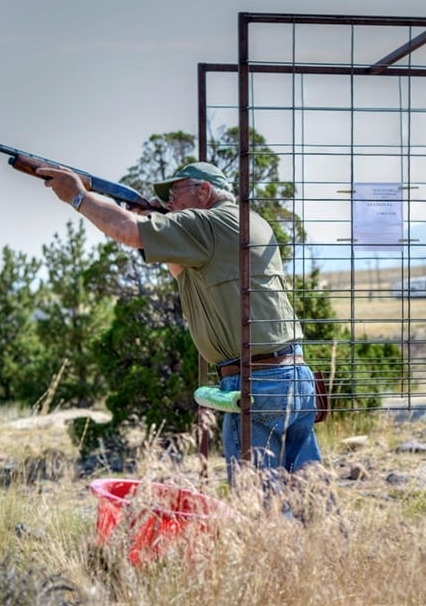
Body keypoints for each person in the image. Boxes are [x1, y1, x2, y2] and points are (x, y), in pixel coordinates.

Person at [30, 159, 323, 486]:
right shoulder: (245, 221)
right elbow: (179, 268)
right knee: (308, 495)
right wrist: (154, 221)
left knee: (259, 502)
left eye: (176, 192)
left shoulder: (208, 224)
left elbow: (126, 232)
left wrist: (78, 197)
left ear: (204, 191)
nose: (170, 202)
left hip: (256, 382)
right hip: (292, 376)